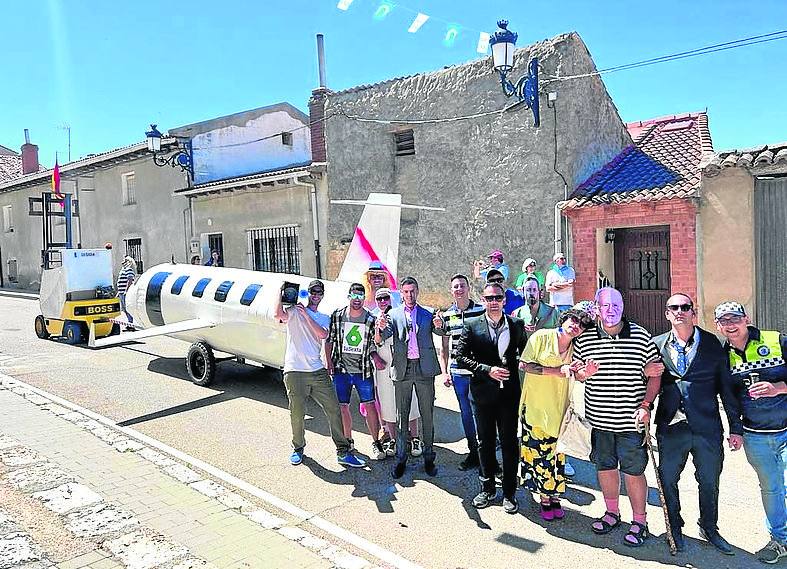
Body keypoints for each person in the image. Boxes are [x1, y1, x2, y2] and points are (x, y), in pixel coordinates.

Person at [650, 294, 742, 554]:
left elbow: (726, 389)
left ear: (693, 312)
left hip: (707, 427)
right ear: (667, 313)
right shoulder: (655, 345)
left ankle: (709, 527)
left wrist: (735, 428)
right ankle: (674, 526)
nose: (679, 311)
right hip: (671, 427)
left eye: (685, 307)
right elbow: (646, 383)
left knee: (710, 480)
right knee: (667, 480)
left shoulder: (713, 344)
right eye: (673, 308)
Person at [573, 287, 662, 547]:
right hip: (599, 421)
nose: (610, 310)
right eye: (605, 306)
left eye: (615, 305)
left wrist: (646, 405)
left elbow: (654, 374)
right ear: (597, 309)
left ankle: (640, 521)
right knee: (606, 468)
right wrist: (583, 374)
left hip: (630, 422)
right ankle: (612, 512)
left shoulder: (641, 336)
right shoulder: (586, 338)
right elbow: (578, 374)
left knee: (634, 472)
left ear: (623, 307)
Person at [715, 301, 787, 564]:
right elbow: (729, 398)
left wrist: (779, 387)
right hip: (756, 435)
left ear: (746, 319)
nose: (730, 325)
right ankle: (780, 540)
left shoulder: (776, 340)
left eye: (735, 318)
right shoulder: (724, 356)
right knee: (772, 488)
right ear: (718, 326)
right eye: (724, 321)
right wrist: (735, 430)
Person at [275, 279, 366, 469]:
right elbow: (278, 314)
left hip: (317, 371)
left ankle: (343, 451)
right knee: (297, 414)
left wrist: (306, 316)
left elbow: (323, 335)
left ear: (322, 295)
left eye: (319, 292)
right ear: (307, 293)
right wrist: (280, 292)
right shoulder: (293, 311)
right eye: (312, 292)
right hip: (294, 371)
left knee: (334, 409)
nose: (316, 295)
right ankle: (298, 448)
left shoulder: (324, 317)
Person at [456, 282, 528, 514]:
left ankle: (509, 492)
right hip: (482, 394)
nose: (494, 302)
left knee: (509, 443)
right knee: (485, 442)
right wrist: (487, 369)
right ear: (484, 301)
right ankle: (487, 488)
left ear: (504, 300)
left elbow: (526, 354)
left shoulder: (516, 325)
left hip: (509, 395)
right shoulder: (471, 324)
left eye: (497, 298)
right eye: (489, 298)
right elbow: (460, 357)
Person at [518, 309, 594, 520]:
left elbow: (577, 375)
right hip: (535, 408)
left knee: (558, 456)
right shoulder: (541, 336)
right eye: (574, 320)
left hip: (560, 410)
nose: (576, 325)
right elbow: (524, 365)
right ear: (565, 319)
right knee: (540, 456)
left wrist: (583, 373)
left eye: (582, 325)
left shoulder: (576, 348)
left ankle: (555, 496)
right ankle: (544, 498)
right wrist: (557, 370)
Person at [377, 276, 442, 479]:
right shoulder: (393, 314)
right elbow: (380, 339)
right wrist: (379, 328)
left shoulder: (427, 313)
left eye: (412, 291)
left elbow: (441, 330)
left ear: (417, 291)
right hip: (403, 369)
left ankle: (429, 458)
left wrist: (440, 323)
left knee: (427, 416)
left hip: (424, 370)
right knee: (401, 416)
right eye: (405, 292)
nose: (409, 295)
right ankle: (401, 459)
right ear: (401, 293)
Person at [326, 283, 386, 460]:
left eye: (361, 296)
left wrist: (375, 356)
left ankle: (376, 442)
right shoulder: (337, 316)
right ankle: (348, 440)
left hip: (363, 370)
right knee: (342, 406)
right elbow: (329, 340)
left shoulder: (370, 318)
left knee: (370, 405)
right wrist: (329, 362)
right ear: (349, 296)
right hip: (341, 369)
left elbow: (374, 343)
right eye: (354, 296)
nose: (357, 300)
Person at [436, 274, 485, 471]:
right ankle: (473, 452)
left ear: (468, 288)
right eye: (455, 286)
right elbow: (444, 347)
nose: (459, 289)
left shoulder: (481, 311)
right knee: (465, 413)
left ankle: (485, 454)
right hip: (458, 372)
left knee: (480, 412)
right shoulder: (447, 315)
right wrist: (445, 372)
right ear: (452, 290)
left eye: (462, 286)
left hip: (477, 372)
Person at [371, 288, 421, 458]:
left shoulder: (400, 315)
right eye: (379, 299)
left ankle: (415, 437)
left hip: (404, 365)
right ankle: (393, 438)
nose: (383, 301)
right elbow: (375, 342)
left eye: (386, 298)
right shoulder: (373, 317)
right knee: (387, 402)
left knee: (411, 400)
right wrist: (378, 327)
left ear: (391, 299)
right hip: (384, 367)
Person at [116, 256, 137, 327]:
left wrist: (126, 290)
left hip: (125, 293)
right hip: (122, 292)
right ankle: (129, 323)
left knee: (127, 308)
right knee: (124, 309)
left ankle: (130, 323)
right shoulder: (124, 270)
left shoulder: (128, 269)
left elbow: (130, 280)